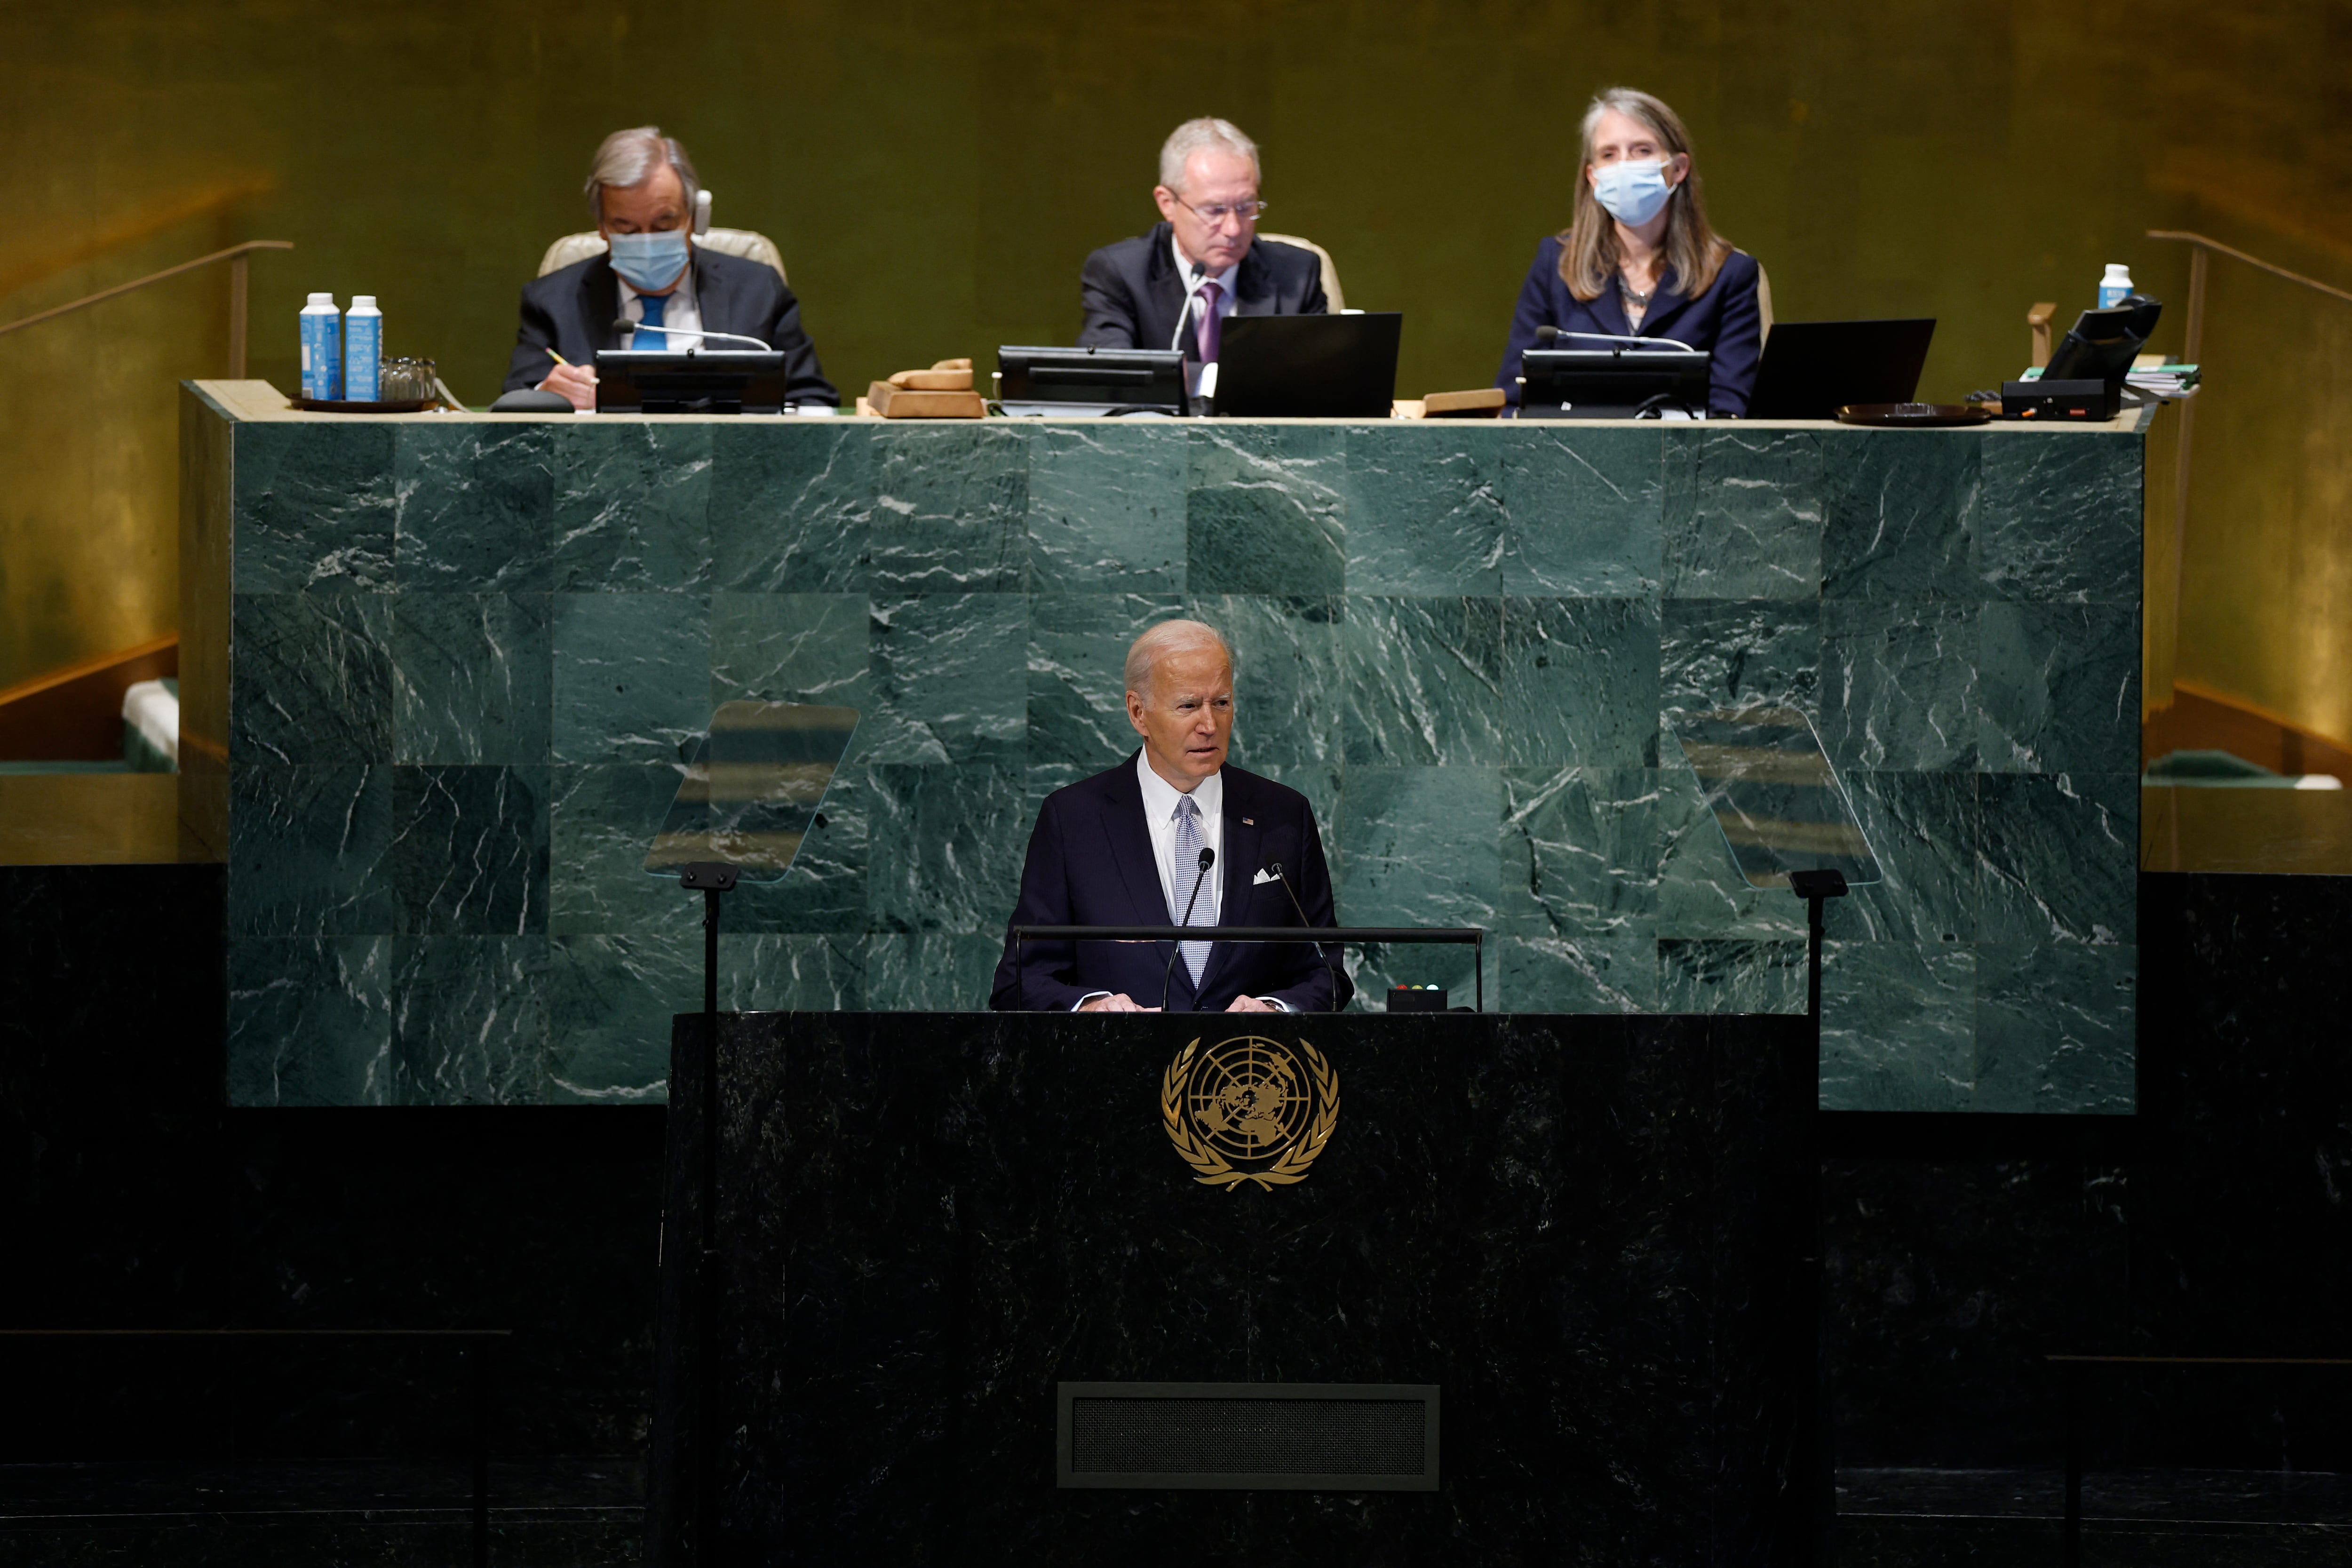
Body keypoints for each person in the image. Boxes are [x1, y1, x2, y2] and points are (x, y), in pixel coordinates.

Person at [990, 620, 1351, 1014]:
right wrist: (1092, 1009)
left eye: (1222, 703)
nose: (1210, 725)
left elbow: (1326, 974)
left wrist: (1274, 1008)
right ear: (1138, 712)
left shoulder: (1284, 815)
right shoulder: (1073, 820)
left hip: (1244, 1068)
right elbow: (1021, 981)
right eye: (1189, 705)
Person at [504, 126, 835, 409]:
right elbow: (512, 406)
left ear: (695, 219)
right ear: (602, 227)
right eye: (626, 228)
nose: (647, 241)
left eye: (664, 225)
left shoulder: (758, 290)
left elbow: (813, 400)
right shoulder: (551, 301)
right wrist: (546, 398)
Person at [1494, 88, 1763, 417]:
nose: (1624, 166)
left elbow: (1729, 412)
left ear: (1677, 169)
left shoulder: (1731, 275)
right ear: (1593, 177)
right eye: (1609, 154)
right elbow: (1513, 399)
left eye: (1642, 150)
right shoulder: (1555, 263)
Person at [1077, 117, 1327, 395]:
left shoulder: (1297, 274)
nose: (1233, 229)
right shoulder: (1120, 272)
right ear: (1167, 204)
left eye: (1246, 207)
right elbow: (1108, 372)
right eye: (1214, 211)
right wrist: (1212, 380)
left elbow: (1317, 379)